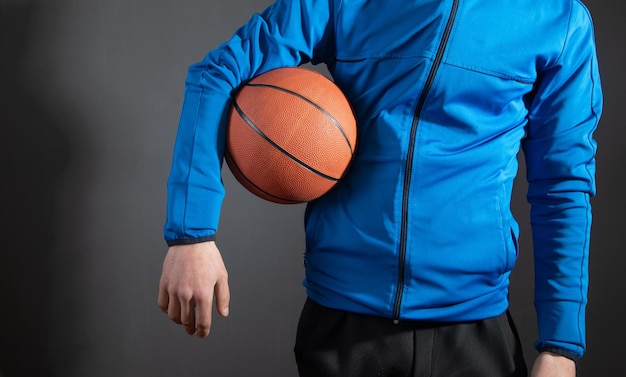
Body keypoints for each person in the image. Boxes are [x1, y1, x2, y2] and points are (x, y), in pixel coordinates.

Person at [157, 0, 602, 376]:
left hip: (474, 331)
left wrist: (560, 345)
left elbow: (562, 184)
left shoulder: (559, 19)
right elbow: (218, 72)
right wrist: (192, 236)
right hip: (342, 327)